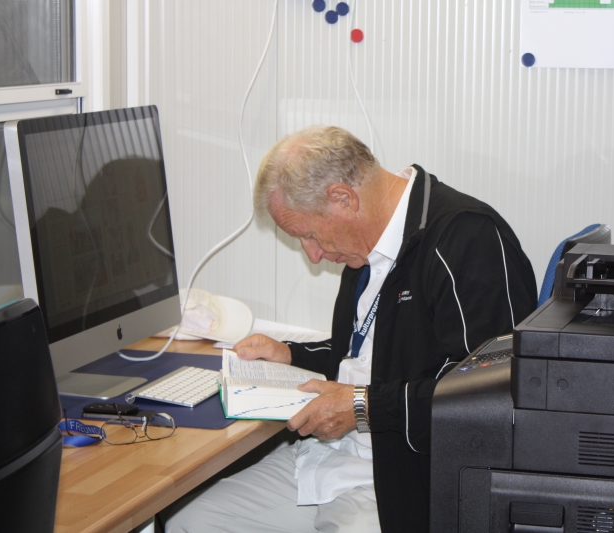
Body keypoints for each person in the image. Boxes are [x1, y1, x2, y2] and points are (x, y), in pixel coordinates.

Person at [165, 126, 537, 532]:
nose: (313, 255)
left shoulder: (468, 240)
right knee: (190, 520)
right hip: (333, 457)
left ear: (343, 198)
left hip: (406, 478)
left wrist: (363, 407)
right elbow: (372, 355)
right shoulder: (363, 249)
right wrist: (291, 354)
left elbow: (489, 398)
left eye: (309, 234)